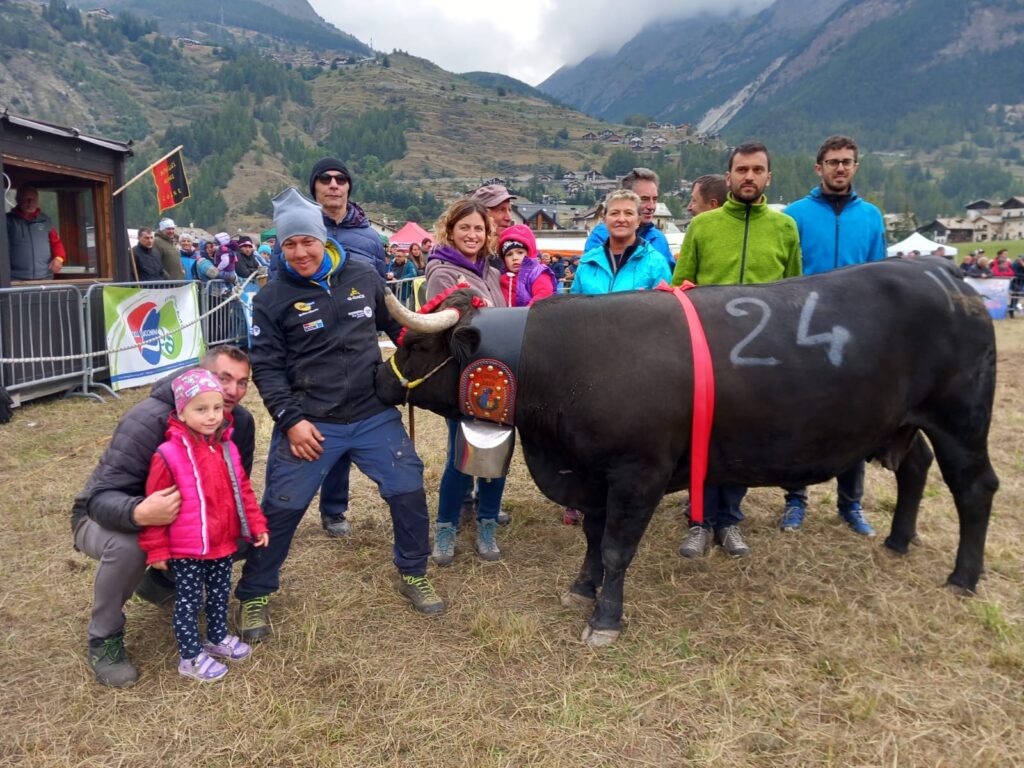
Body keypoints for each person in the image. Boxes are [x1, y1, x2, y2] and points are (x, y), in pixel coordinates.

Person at [235, 188, 444, 643]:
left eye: (306, 241)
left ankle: (414, 571)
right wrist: (290, 421)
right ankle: (254, 592)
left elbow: (400, 329)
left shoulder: (363, 273)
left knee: (407, 486)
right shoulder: (271, 299)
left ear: (322, 238)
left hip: (372, 415)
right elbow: (267, 369)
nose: (299, 252)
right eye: (289, 245)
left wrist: (442, 330)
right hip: (311, 422)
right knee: (281, 508)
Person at [71, 345, 256, 687]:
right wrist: (139, 512)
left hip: (182, 521)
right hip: (105, 519)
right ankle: (104, 637)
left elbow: (235, 484)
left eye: (243, 382)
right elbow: (99, 499)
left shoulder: (238, 422)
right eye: (223, 378)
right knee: (133, 546)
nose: (233, 391)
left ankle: (160, 583)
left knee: (239, 534)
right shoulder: (148, 419)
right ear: (200, 374)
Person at [674, 141, 802, 559]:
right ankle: (698, 521)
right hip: (708, 358)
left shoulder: (785, 229)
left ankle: (729, 520)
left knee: (744, 443)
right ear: (728, 177)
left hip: (761, 361)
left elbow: (792, 294)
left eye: (757, 170)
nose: (749, 176)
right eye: (741, 170)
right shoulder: (703, 227)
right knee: (702, 441)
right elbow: (680, 289)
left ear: (769, 177)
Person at [777, 135, 886, 536]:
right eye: (832, 161)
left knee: (856, 420)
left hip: (856, 335)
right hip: (806, 333)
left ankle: (851, 504)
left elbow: (880, 278)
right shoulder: (794, 216)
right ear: (817, 167)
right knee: (802, 418)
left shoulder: (871, 217)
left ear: (856, 167)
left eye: (847, 162)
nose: (840, 168)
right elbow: (786, 277)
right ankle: (795, 500)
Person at [139, 369, 269, 681]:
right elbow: (155, 505)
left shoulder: (227, 447)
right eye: (200, 409)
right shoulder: (167, 455)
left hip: (222, 542)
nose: (211, 417)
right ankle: (190, 656)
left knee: (220, 593)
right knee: (189, 600)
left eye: (216, 408)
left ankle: (216, 637)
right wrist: (156, 550)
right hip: (187, 548)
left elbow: (243, 490)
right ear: (181, 411)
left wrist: (256, 524)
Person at [297, 158, 391, 537]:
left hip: (361, 349)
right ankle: (330, 508)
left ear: (349, 188)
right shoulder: (300, 232)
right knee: (326, 431)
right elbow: (277, 290)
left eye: (341, 179)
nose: (333, 185)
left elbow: (382, 294)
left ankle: (393, 494)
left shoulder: (369, 237)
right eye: (325, 179)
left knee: (364, 425)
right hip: (315, 351)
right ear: (314, 187)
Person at [424, 198, 509, 565]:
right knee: (463, 455)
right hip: (464, 378)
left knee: (497, 452)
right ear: (450, 230)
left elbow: (503, 318)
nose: (472, 234)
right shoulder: (442, 272)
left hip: (500, 377)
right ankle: (446, 527)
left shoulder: (489, 271)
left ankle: (487, 522)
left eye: (479, 228)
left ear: (488, 234)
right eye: (465, 227)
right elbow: (449, 331)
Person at [570, 190, 673, 295]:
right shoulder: (588, 263)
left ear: (638, 220)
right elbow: (575, 307)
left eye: (629, 213)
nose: (621, 219)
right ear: (605, 220)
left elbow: (664, 308)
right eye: (614, 213)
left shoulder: (656, 264)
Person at [584, 168, 673, 269]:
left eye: (655, 199)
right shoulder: (601, 235)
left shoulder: (658, 238)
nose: (651, 206)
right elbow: (589, 276)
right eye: (644, 199)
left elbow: (669, 279)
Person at [6, 185, 66, 280]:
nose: (30, 202)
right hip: (15, 279)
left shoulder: (46, 220)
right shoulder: (7, 221)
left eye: (33, 199)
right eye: (26, 199)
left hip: (45, 278)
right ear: (18, 200)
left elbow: (56, 243)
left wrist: (59, 259)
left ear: (37, 201)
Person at [498, 225, 556, 307]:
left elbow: (543, 295)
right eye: (509, 254)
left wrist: (525, 314)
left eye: (520, 252)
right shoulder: (501, 278)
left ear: (529, 253)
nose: (514, 258)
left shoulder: (537, 274)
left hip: (530, 318)